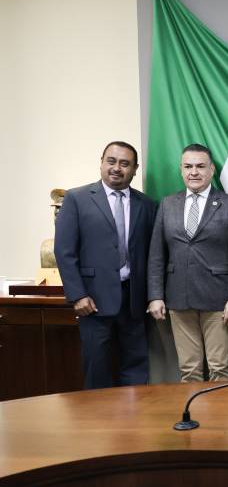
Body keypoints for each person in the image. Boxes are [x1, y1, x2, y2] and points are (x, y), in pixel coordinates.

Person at [54, 141, 157, 389]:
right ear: (101, 162)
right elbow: (64, 252)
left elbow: (153, 255)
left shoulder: (148, 205)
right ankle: (100, 425)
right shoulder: (77, 199)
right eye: (111, 161)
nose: (117, 168)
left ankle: (133, 423)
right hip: (93, 302)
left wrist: (154, 295)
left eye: (125, 164)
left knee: (136, 368)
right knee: (97, 368)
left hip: (134, 301)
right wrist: (78, 295)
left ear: (134, 169)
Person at [147, 144, 228, 382]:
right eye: (188, 166)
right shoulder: (167, 204)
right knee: (189, 370)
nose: (194, 172)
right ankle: (194, 419)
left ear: (211, 169)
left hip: (219, 301)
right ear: (181, 170)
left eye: (200, 166)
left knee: (219, 368)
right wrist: (155, 295)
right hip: (178, 298)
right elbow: (156, 255)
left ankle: (219, 419)